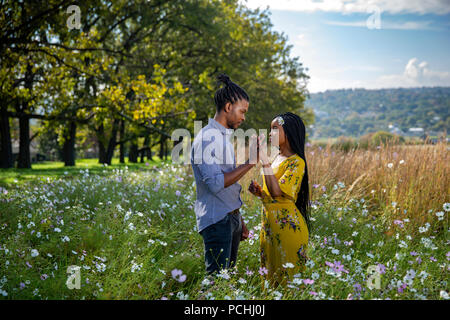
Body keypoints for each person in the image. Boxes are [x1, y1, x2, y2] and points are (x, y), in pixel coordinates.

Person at [191, 74, 255, 275]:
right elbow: (216, 184)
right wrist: (251, 162)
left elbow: (227, 185)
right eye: (242, 111)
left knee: (225, 284)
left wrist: (238, 218)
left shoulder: (222, 137)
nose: (244, 117)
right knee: (215, 284)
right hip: (217, 221)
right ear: (228, 107)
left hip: (230, 219)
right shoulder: (207, 139)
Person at [248, 112, 311, 288]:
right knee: (270, 280)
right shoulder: (276, 159)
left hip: (287, 229)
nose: (270, 133)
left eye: (275, 129)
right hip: (269, 227)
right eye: (270, 129)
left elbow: (279, 193)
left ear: (289, 132)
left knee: (287, 284)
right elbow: (273, 193)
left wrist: (264, 161)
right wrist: (260, 193)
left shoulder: (296, 162)